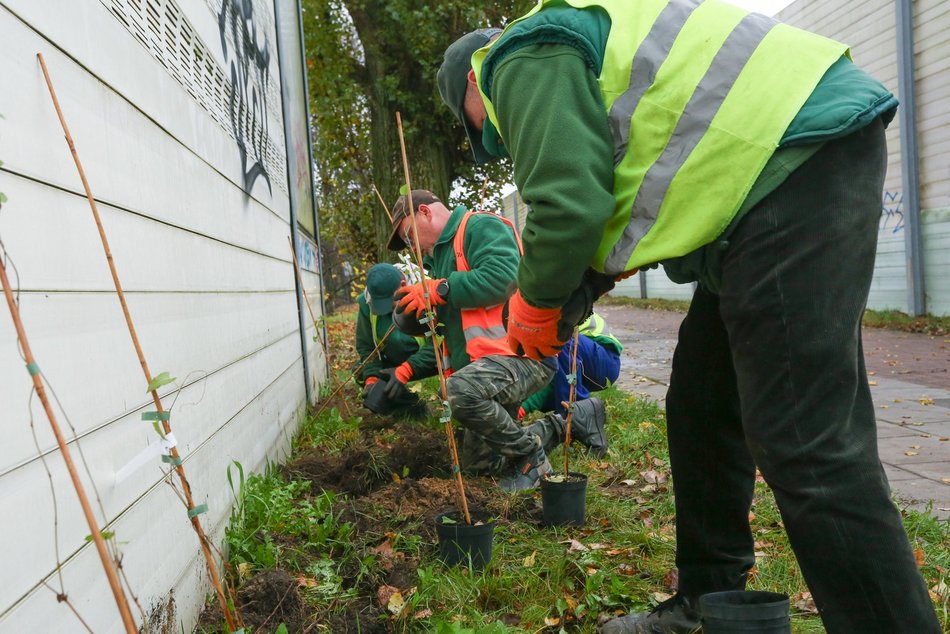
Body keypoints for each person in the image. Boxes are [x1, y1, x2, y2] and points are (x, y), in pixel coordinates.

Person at [437, 4, 940, 633]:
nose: (496, 140)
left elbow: (567, 205)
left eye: (481, 130)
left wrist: (535, 308)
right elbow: (619, 201)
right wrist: (576, 292)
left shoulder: (515, 58)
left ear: (470, 88)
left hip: (792, 159)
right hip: (763, 185)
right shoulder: (573, 55)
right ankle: (704, 602)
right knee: (702, 404)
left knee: (807, 442)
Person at [387, 190, 607, 490]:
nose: (413, 248)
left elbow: (504, 277)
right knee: (483, 467)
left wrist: (440, 290)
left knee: (458, 392)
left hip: (524, 356)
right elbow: (457, 314)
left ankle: (531, 457)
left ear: (425, 212)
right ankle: (575, 419)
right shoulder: (440, 260)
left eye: (410, 236)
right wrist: (423, 318)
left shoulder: (480, 227)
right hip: (488, 370)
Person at [355, 263, 434, 419]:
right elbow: (366, 347)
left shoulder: (428, 291)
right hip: (394, 360)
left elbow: (443, 346)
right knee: (360, 370)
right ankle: (410, 406)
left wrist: (407, 370)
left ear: (402, 286)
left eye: (389, 303)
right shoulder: (366, 302)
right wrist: (372, 378)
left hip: (431, 360)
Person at [520, 313, 621, 432]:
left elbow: (554, 368)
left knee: (562, 341)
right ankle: (572, 417)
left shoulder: (544, 313)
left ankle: (577, 417)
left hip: (605, 361)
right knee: (557, 384)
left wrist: (522, 408)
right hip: (584, 361)